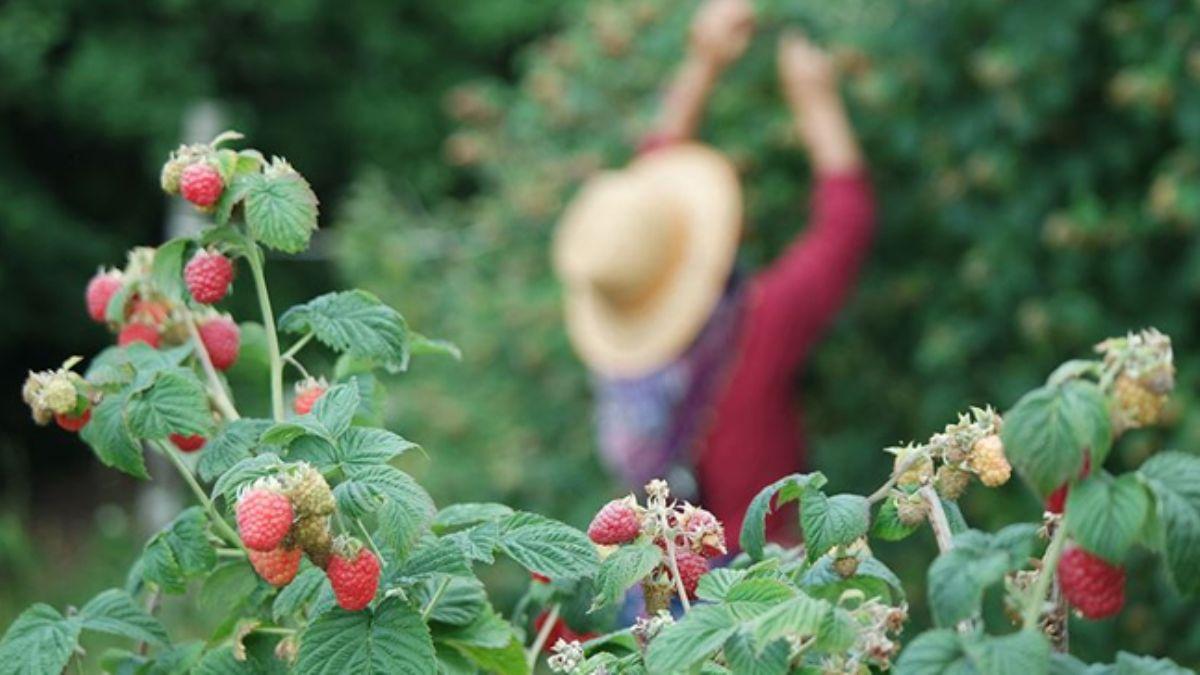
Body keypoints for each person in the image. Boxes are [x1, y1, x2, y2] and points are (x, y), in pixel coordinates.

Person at [553, 0, 875, 550]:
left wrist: (703, 62)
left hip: (660, 581)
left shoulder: (628, 365)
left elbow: (645, 196)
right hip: (758, 594)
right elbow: (845, 226)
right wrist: (816, 103)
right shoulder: (753, 334)